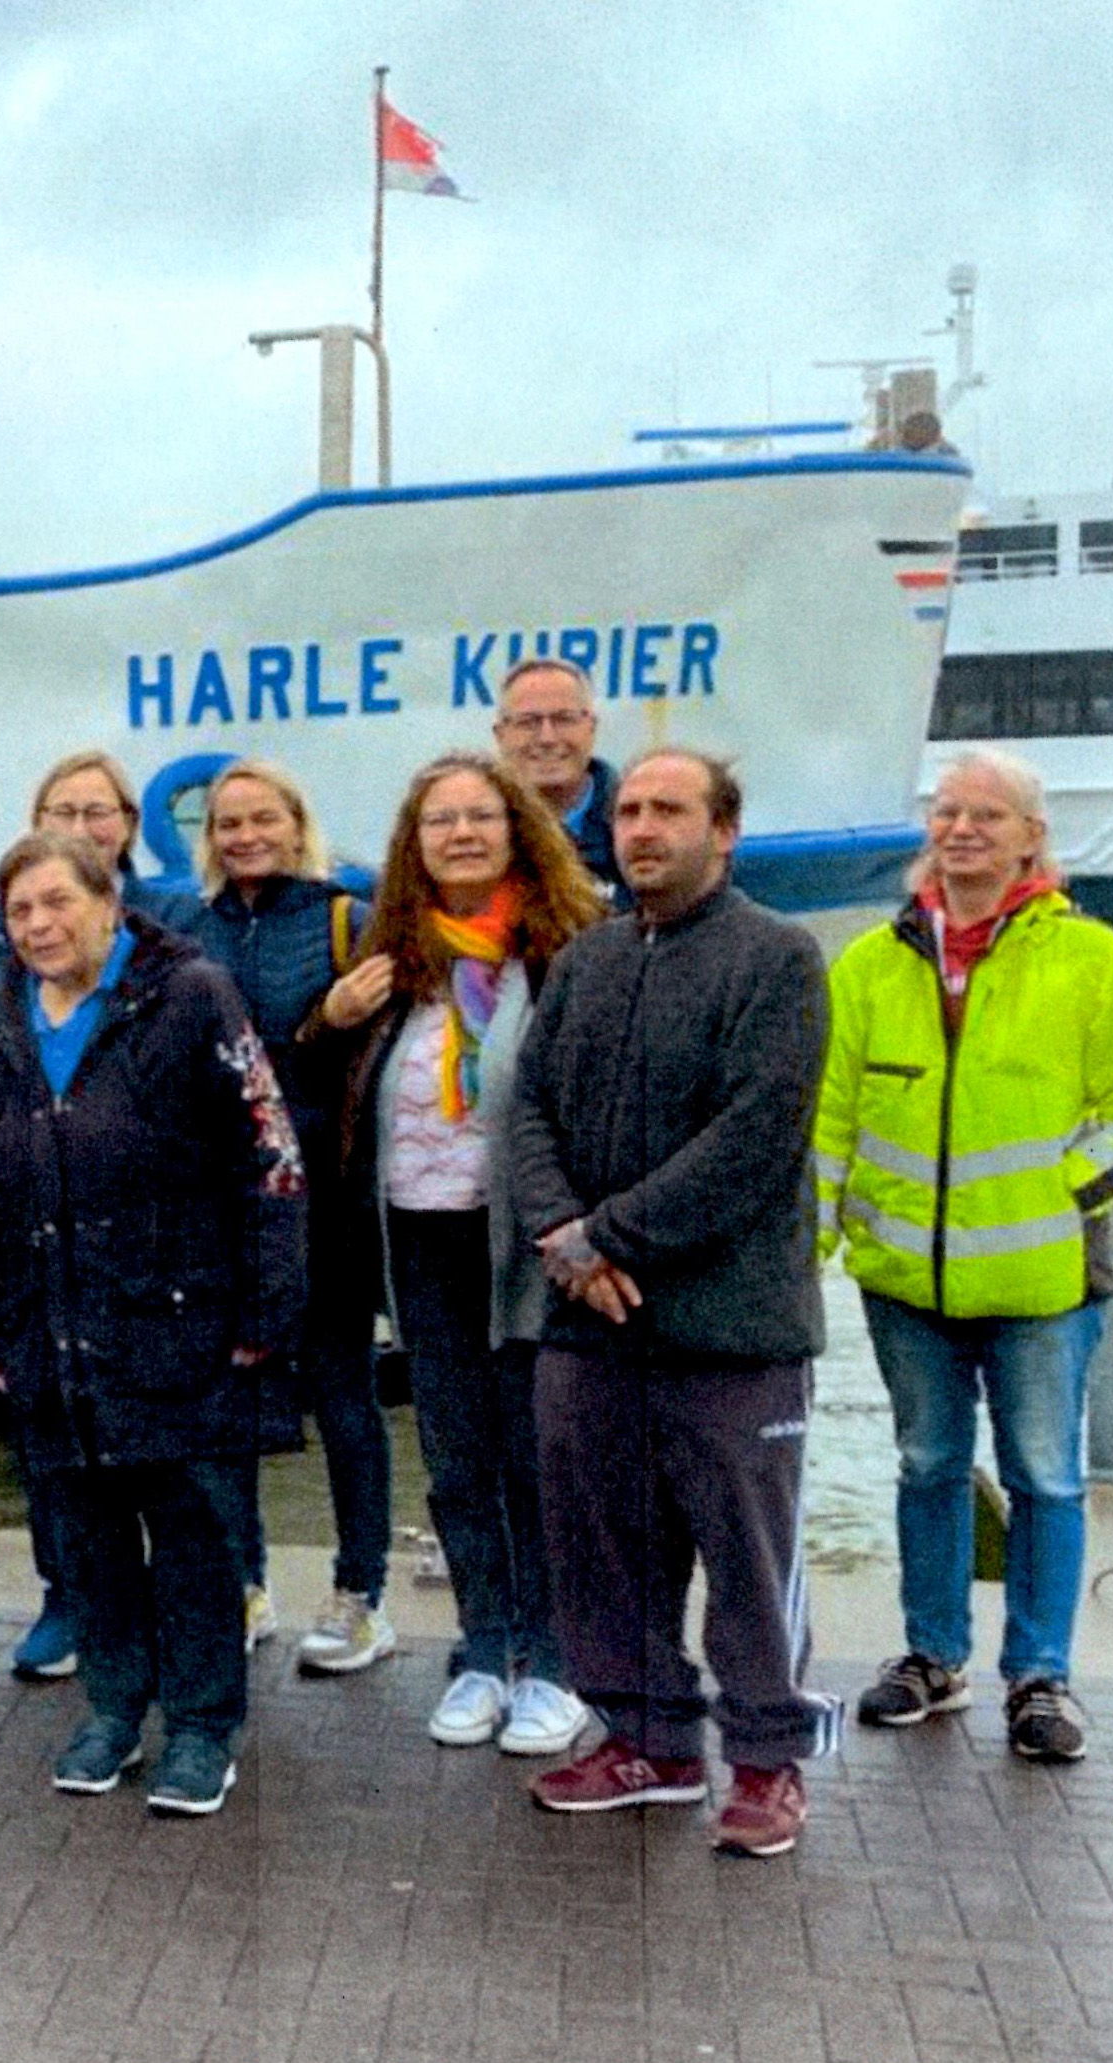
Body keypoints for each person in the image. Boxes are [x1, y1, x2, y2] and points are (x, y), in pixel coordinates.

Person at [508, 749, 836, 1859]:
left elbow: (753, 1136)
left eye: (668, 810)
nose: (642, 828)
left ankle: (767, 1758)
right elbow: (526, 1109)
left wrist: (603, 1236)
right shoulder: (585, 960)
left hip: (730, 1329)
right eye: (630, 810)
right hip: (587, 1323)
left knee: (748, 1555)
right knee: (598, 1542)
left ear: (723, 830)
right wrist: (562, 1234)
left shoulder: (777, 958)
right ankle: (646, 1739)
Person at [0, 831, 306, 1813]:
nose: (38, 925)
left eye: (57, 902)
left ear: (108, 902)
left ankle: (201, 1728)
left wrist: (265, 1308)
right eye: (19, 911)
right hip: (53, 1337)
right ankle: (112, 1708)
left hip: (181, 1325)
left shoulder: (192, 997)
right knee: (87, 1539)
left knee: (195, 1539)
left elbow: (270, 1158)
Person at [820, 750, 1113, 1763]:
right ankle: (931, 1655)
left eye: (986, 814)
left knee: (1043, 1475)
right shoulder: (869, 963)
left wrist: (1064, 1195)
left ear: (1029, 836)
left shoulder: (1092, 959)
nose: (960, 828)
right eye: (947, 810)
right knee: (926, 1465)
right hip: (902, 1276)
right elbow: (829, 1116)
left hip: (1041, 1278)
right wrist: (813, 1240)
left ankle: (1038, 1676)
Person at [320, 754, 610, 1754]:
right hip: (419, 1236)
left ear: (516, 827)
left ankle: (552, 1658)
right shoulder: (394, 958)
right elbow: (332, 1085)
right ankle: (482, 1646)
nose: (459, 834)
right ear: (414, 843)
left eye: (479, 815)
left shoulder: (565, 950)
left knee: (537, 1456)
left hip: (526, 1242)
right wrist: (327, 1020)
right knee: (454, 1458)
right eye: (438, 820)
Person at [161, 761, 399, 1674]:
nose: (245, 836)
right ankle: (241, 1581)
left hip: (325, 1196)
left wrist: (321, 1025)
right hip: (223, 1198)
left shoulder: (346, 917)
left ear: (296, 823)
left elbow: (375, 1052)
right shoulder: (191, 928)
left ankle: (359, 1592)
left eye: (262, 818)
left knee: (341, 1393)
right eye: (227, 823)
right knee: (227, 1395)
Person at [0, 747, 148, 1679]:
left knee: (163, 1441)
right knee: (48, 1432)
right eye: (60, 811)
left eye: (97, 811)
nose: (79, 826)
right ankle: (67, 1596)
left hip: (137, 1233)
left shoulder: (169, 927)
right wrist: (9, 1121)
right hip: (32, 1221)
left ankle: (200, 1605)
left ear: (128, 824)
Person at [492, 657, 623, 898]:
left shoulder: (635, 827)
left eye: (564, 719)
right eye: (528, 722)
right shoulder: (476, 834)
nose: (547, 738)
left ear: (591, 728)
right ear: (500, 735)